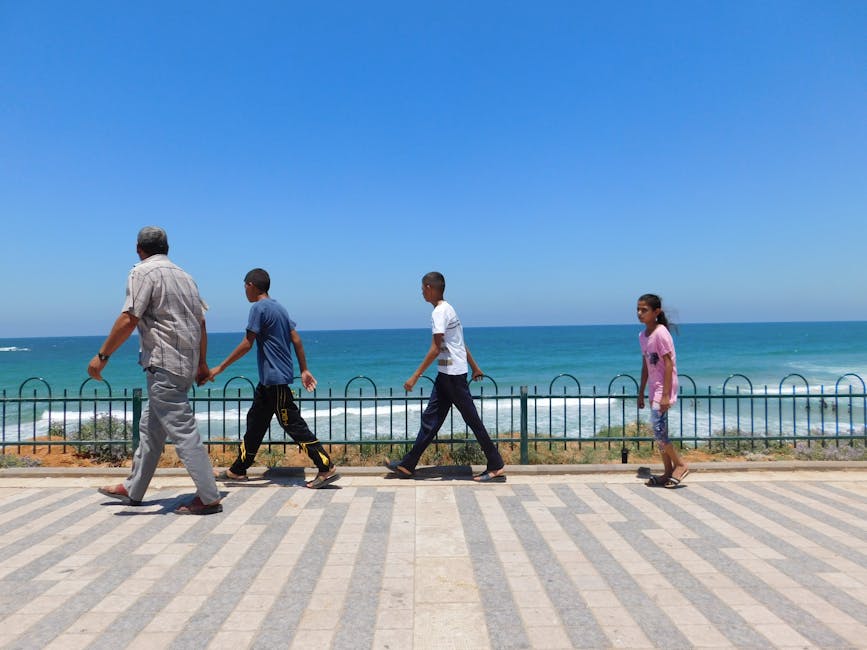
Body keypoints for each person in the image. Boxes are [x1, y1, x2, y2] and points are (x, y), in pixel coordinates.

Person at [88, 226, 223, 514]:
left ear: (139, 248)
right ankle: (134, 488)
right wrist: (201, 363)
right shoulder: (187, 277)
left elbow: (129, 317)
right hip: (184, 365)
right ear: (167, 248)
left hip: (163, 363)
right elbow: (201, 323)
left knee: (184, 432)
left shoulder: (142, 272)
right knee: (150, 429)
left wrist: (102, 356)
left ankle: (209, 496)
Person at [207, 268, 339, 489]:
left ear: (251, 285)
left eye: (244, 287)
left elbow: (247, 343)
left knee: (292, 424)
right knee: (255, 423)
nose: (244, 291)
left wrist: (220, 367)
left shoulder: (258, 308)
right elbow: (296, 339)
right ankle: (238, 470)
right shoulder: (280, 308)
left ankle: (326, 467)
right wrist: (304, 369)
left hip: (275, 380)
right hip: (269, 381)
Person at [385, 272, 506, 482]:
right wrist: (475, 367)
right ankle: (407, 465)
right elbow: (459, 343)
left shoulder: (439, 313)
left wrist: (415, 376)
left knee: (472, 420)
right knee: (431, 420)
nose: (421, 292)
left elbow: (435, 348)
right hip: (448, 374)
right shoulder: (449, 308)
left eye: (423, 288)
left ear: (430, 288)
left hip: (452, 376)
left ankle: (496, 464)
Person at [636, 293, 689, 488]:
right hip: (653, 388)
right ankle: (667, 472)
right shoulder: (643, 336)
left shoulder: (661, 333)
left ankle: (681, 465)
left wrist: (666, 394)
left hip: (663, 389)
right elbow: (645, 365)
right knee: (660, 433)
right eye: (638, 310)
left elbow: (668, 364)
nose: (640, 313)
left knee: (659, 432)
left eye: (644, 310)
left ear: (656, 312)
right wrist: (641, 392)